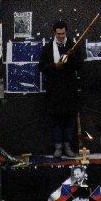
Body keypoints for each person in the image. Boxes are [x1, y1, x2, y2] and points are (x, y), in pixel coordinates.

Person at [38, 20, 82, 158]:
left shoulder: (73, 47)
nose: (61, 36)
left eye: (63, 33)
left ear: (66, 32)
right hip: (54, 91)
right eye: (59, 34)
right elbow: (41, 67)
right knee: (56, 120)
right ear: (54, 33)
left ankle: (68, 147)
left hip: (69, 90)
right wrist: (54, 66)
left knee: (69, 119)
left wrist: (72, 57)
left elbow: (80, 65)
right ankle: (58, 147)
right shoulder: (47, 48)